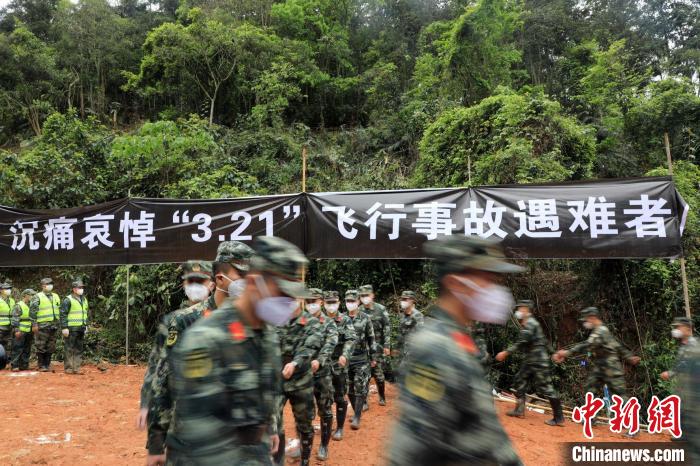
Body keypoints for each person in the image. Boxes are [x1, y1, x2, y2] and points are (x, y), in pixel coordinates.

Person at [156, 236, 310, 465]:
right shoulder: (206, 338)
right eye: (282, 291)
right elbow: (196, 431)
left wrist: (271, 428)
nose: (289, 301)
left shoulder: (267, 335)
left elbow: (267, 393)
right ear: (256, 281)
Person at [388, 236, 524, 466]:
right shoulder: (433, 349)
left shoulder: (459, 341)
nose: (496, 290)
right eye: (488, 279)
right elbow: (413, 450)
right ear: (456, 283)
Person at [146, 241, 254, 462]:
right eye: (242, 276)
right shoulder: (186, 320)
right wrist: (156, 443)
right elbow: (164, 381)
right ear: (220, 278)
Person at [495, 300, 564, 426]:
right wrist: (553, 352)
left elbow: (522, 342)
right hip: (530, 361)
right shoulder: (529, 323)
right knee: (519, 381)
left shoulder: (531, 324)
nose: (518, 311)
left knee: (546, 388)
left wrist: (505, 352)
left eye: (521, 308)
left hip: (538, 361)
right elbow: (544, 339)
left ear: (527, 310)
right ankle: (519, 410)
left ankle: (559, 417)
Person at [274, 293, 323, 466]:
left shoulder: (313, 323)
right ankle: (277, 460)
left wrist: (295, 363)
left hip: (301, 381)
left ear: (300, 301)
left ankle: (305, 460)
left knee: (304, 424)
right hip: (278, 380)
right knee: (273, 420)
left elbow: (310, 346)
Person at [553, 307, 640, 399]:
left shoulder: (601, 331)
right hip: (600, 366)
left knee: (620, 395)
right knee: (590, 389)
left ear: (592, 317)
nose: (585, 323)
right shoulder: (599, 330)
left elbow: (587, 344)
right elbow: (616, 345)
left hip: (611, 367)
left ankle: (628, 411)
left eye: (586, 320)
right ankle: (590, 411)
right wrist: (629, 357)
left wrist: (566, 353)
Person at [306, 288, 339, 461]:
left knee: (325, 409)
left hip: (322, 374)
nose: (311, 304)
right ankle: (305, 444)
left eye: (314, 301)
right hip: (304, 375)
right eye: (308, 301)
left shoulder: (329, 322)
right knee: (304, 411)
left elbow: (331, 343)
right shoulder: (301, 321)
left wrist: (319, 360)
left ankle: (324, 446)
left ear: (321, 302)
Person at [322, 290, 357, 441]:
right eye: (328, 302)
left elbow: (351, 339)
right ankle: (327, 426)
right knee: (324, 397)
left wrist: (345, 354)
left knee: (339, 396)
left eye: (333, 302)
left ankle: (340, 428)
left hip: (339, 363)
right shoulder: (318, 320)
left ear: (338, 303)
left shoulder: (345, 320)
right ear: (323, 304)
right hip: (322, 365)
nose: (331, 305)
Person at [345, 289, 377, 430]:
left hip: (361, 359)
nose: (350, 303)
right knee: (349, 389)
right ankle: (355, 410)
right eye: (347, 301)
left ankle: (357, 417)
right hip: (346, 360)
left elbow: (371, 338)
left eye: (352, 301)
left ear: (358, 302)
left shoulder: (365, 318)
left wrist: (373, 356)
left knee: (360, 388)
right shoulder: (342, 318)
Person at [359, 284, 391, 407]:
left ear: (372, 295)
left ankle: (382, 397)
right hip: (364, 348)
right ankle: (365, 401)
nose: (364, 297)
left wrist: (387, 345)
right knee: (364, 375)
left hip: (378, 347)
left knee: (378, 374)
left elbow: (387, 328)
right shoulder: (359, 310)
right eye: (362, 296)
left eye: (366, 295)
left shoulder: (381, 309)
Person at [30, 278, 61, 371]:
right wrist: (34, 324)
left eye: (51, 284)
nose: (50, 286)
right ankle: (41, 365)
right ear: (43, 285)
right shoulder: (37, 296)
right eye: (48, 284)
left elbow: (59, 309)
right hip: (42, 325)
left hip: (54, 325)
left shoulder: (55, 296)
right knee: (41, 345)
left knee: (51, 346)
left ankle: (47, 364)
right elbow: (32, 311)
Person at [59, 279, 89, 374]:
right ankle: (68, 368)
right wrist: (64, 327)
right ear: (74, 289)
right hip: (71, 329)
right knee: (69, 348)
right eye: (79, 287)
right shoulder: (68, 300)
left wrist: (86, 325)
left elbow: (85, 313)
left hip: (81, 328)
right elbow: (63, 314)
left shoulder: (84, 299)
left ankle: (76, 368)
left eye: (82, 287)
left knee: (78, 348)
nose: (81, 289)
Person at [661, 317, 697, 382]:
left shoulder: (693, 345)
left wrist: (669, 374)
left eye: (679, 327)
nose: (676, 329)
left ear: (687, 328)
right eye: (676, 327)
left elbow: (686, 365)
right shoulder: (683, 346)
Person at [394, 290, 424, 363]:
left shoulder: (417, 315)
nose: (403, 301)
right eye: (402, 299)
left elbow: (420, 335)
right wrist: (397, 348)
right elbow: (400, 333)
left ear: (412, 300)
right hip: (401, 352)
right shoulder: (402, 316)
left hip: (412, 353)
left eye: (405, 299)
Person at [11, 289, 35, 371]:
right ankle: (15, 365)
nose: (32, 297)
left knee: (27, 348)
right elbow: (15, 318)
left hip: (29, 330)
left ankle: (24, 365)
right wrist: (16, 330)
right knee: (17, 347)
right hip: (21, 330)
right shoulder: (19, 305)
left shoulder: (32, 305)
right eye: (31, 295)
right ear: (25, 295)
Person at [0, 282, 16, 366]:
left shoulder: (12, 300)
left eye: (9, 288)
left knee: (9, 345)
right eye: (6, 289)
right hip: (0, 326)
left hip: (9, 326)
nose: (8, 290)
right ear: (1, 290)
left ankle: (6, 362)